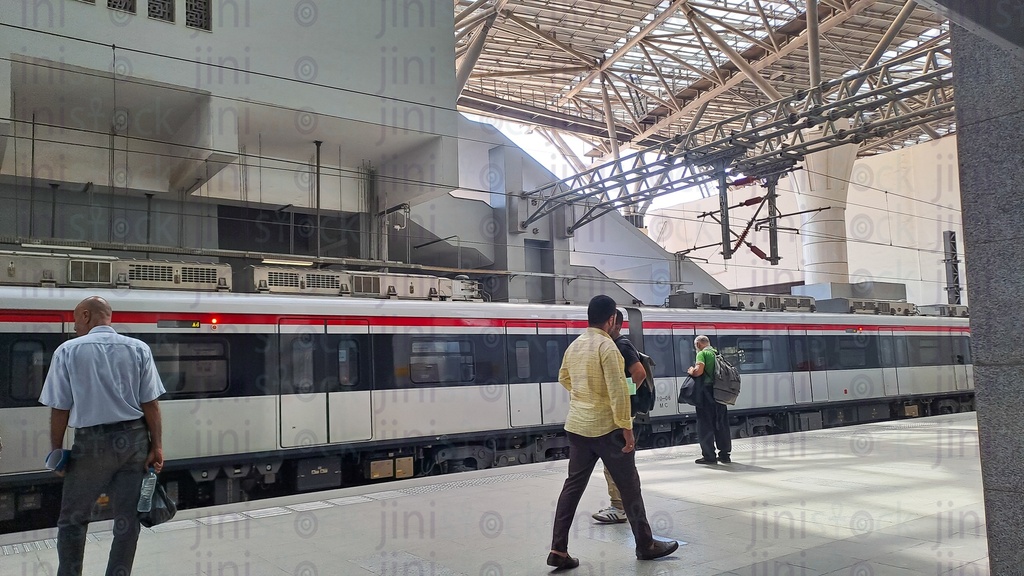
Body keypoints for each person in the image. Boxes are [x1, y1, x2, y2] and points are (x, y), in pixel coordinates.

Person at [548, 295, 678, 570]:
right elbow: (619, 392)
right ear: (610, 320)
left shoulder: (576, 345)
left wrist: (584, 396)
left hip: (578, 428)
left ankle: (558, 549)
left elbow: (563, 377)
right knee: (630, 488)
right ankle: (646, 545)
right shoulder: (607, 347)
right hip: (607, 430)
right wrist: (626, 428)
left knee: (572, 488)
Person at [39, 296, 166, 576]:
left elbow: (60, 408)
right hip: (135, 440)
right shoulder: (138, 349)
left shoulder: (68, 351)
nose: (74, 326)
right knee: (127, 521)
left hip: (92, 443)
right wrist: (157, 446)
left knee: (73, 519)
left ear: (86, 315)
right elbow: (151, 405)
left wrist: (56, 451)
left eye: (75, 319)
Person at [592, 310, 646, 525]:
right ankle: (619, 506)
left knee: (616, 462)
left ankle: (619, 507)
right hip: (616, 412)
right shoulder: (613, 345)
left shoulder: (621, 345)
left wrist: (622, 396)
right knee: (614, 463)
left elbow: (639, 373)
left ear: (614, 324)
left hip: (619, 414)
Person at [687, 335, 731, 465]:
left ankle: (709, 456)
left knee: (705, 424)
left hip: (706, 393)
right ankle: (724, 455)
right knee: (721, 424)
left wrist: (691, 371)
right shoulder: (717, 353)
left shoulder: (702, 354)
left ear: (698, 345)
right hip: (720, 393)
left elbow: (698, 371)